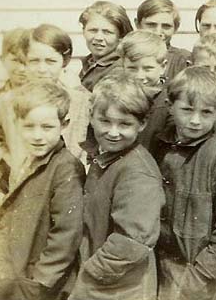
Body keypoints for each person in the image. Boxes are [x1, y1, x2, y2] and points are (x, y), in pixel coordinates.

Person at [151, 66, 216, 299]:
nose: (195, 121)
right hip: (162, 266)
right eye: (187, 110)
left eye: (206, 113)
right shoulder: (159, 145)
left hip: (202, 276)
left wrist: (201, 273)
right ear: (170, 106)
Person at [0, 81, 84, 300]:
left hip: (39, 285)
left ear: (64, 124)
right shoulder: (27, 159)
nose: (37, 136)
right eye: (29, 126)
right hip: (15, 272)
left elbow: (66, 234)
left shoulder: (65, 168)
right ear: (17, 124)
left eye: (47, 127)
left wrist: (40, 281)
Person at [69, 72, 164, 300]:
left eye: (124, 124)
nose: (113, 132)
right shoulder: (103, 157)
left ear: (142, 124)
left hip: (119, 288)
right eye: (105, 121)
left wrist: (90, 274)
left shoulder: (137, 172)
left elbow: (132, 241)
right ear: (91, 117)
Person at [0, 24, 90, 203]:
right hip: (22, 189)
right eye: (34, 61)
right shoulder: (9, 101)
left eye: (50, 61)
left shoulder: (80, 100)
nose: (42, 69)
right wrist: (4, 161)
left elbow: (87, 145)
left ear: (65, 61)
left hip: (68, 190)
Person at [0, 28, 29, 210]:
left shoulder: (44, 97)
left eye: (27, 62)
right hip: (7, 182)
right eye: (16, 61)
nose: (22, 69)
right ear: (3, 60)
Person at [119, 30, 170, 151]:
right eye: (132, 68)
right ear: (123, 66)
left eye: (148, 69)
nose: (139, 76)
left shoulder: (168, 105)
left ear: (163, 67)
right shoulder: (118, 97)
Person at [78, 1, 133, 91]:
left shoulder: (120, 70)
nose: (98, 37)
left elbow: (104, 104)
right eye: (93, 30)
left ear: (121, 36)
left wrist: (75, 87)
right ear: (83, 31)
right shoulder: (90, 62)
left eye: (107, 32)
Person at [135, 0, 192, 80]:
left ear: (176, 28)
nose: (158, 32)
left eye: (166, 26)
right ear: (138, 24)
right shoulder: (126, 58)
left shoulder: (183, 60)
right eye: (151, 25)